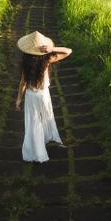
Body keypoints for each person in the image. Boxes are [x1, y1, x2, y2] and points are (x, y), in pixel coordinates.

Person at [15, 30, 72, 163]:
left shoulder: (26, 63)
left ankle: (37, 152)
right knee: (47, 117)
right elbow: (68, 51)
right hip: (43, 95)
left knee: (33, 123)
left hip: (30, 96)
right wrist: (52, 49)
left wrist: (18, 99)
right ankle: (48, 139)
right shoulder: (47, 60)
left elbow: (22, 83)